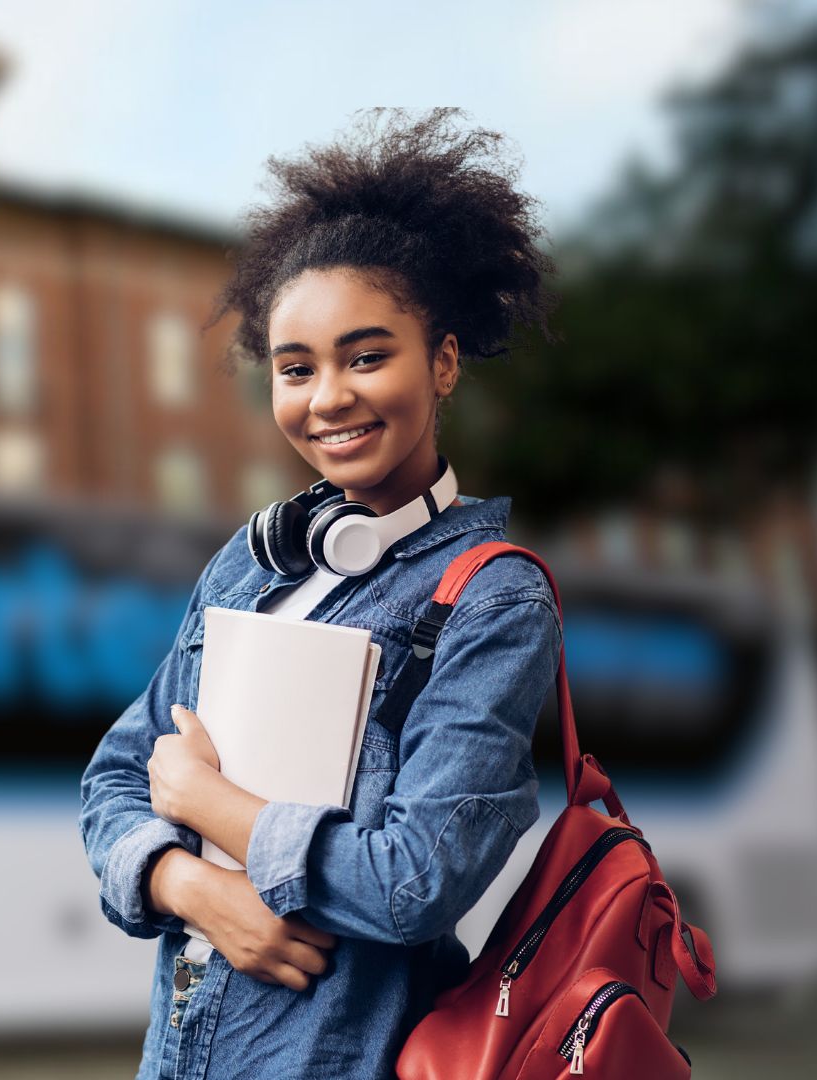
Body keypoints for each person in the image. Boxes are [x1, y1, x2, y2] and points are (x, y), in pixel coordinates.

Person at [79, 108, 563, 1079]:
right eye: (296, 369)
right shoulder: (250, 564)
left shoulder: (493, 600)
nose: (327, 397)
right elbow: (115, 781)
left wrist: (211, 805)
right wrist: (187, 885)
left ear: (444, 361)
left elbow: (414, 881)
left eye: (367, 355)